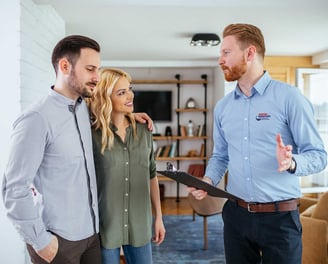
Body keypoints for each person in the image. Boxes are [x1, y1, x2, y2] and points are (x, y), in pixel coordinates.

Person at [2, 35, 153, 264]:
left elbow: (108, 111)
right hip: (58, 242)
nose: (97, 77)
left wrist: (131, 115)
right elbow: (13, 188)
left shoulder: (84, 109)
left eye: (98, 69)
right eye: (91, 69)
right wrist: (41, 242)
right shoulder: (37, 118)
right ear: (65, 66)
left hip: (91, 237)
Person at [188, 23, 327, 264]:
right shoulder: (223, 107)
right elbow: (221, 156)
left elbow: (319, 156)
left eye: (226, 52)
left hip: (280, 219)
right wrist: (208, 181)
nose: (220, 60)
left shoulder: (289, 98)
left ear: (250, 53)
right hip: (236, 215)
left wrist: (292, 162)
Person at [86, 68, 165, 264]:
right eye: (121, 93)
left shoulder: (144, 130)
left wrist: (159, 218)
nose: (130, 95)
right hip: (105, 226)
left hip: (140, 223)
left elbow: (151, 174)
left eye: (129, 89)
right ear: (106, 98)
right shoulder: (92, 135)